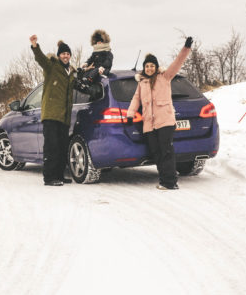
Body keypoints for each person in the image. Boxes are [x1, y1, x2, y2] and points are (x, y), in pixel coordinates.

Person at [126, 37, 193, 190]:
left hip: (165, 121)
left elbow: (178, 62)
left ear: (156, 67)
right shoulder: (142, 83)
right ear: (144, 68)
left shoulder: (165, 77)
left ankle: (170, 182)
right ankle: (164, 180)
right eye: (147, 66)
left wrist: (186, 48)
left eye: (152, 65)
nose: (149, 68)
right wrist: (130, 114)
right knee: (156, 153)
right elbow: (136, 99)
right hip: (149, 123)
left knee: (166, 152)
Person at [30, 34, 77, 186]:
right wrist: (35, 46)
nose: (66, 56)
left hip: (64, 116)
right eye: (63, 53)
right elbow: (41, 59)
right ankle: (49, 178)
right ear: (59, 55)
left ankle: (59, 175)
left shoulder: (70, 72)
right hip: (51, 115)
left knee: (62, 147)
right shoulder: (52, 67)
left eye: (68, 54)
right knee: (51, 147)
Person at [75, 29, 113, 94]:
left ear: (104, 42)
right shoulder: (95, 53)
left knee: (95, 71)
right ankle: (83, 81)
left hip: (102, 70)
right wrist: (86, 63)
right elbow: (91, 59)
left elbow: (108, 62)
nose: (98, 43)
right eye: (97, 41)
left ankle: (88, 81)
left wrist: (102, 67)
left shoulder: (108, 53)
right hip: (94, 70)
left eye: (100, 41)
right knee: (87, 71)